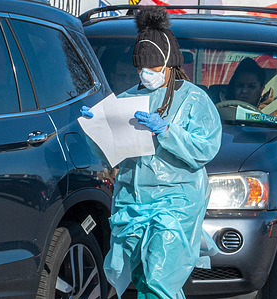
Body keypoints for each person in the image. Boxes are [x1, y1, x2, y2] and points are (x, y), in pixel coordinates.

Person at [81, 6, 222, 299]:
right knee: (142, 277)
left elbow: (205, 147)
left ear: (170, 64)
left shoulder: (194, 100)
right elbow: (110, 153)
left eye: (154, 68)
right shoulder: (129, 99)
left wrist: (167, 131)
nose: (146, 74)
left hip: (176, 202)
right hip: (133, 202)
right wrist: (97, 126)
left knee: (160, 278)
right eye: (141, 68)